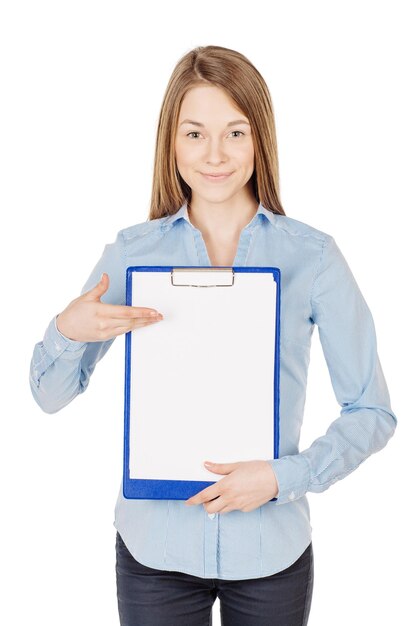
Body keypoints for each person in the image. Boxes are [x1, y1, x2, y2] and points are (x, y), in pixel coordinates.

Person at [29, 45, 397, 626]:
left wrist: (282, 477)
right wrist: (65, 330)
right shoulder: (133, 253)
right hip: (155, 552)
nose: (216, 155)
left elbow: (372, 410)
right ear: (171, 142)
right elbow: (48, 395)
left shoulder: (314, 257)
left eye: (235, 132)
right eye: (195, 134)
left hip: (270, 551)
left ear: (260, 139)